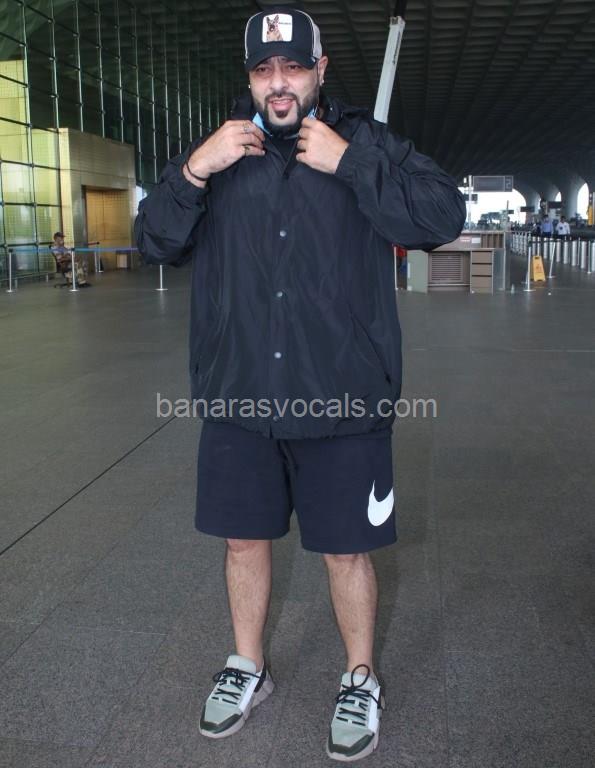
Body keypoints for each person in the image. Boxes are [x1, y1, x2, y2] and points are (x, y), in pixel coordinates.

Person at [135, 7, 465, 762]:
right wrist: (195, 169)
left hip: (341, 393)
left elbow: (442, 215)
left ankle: (360, 676)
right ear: (250, 77)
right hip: (240, 394)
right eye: (264, 70)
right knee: (242, 540)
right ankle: (247, 665)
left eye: (292, 67)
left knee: (346, 550)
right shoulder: (221, 150)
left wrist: (350, 164)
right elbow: (153, 238)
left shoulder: (364, 141)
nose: (278, 84)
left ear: (319, 70)